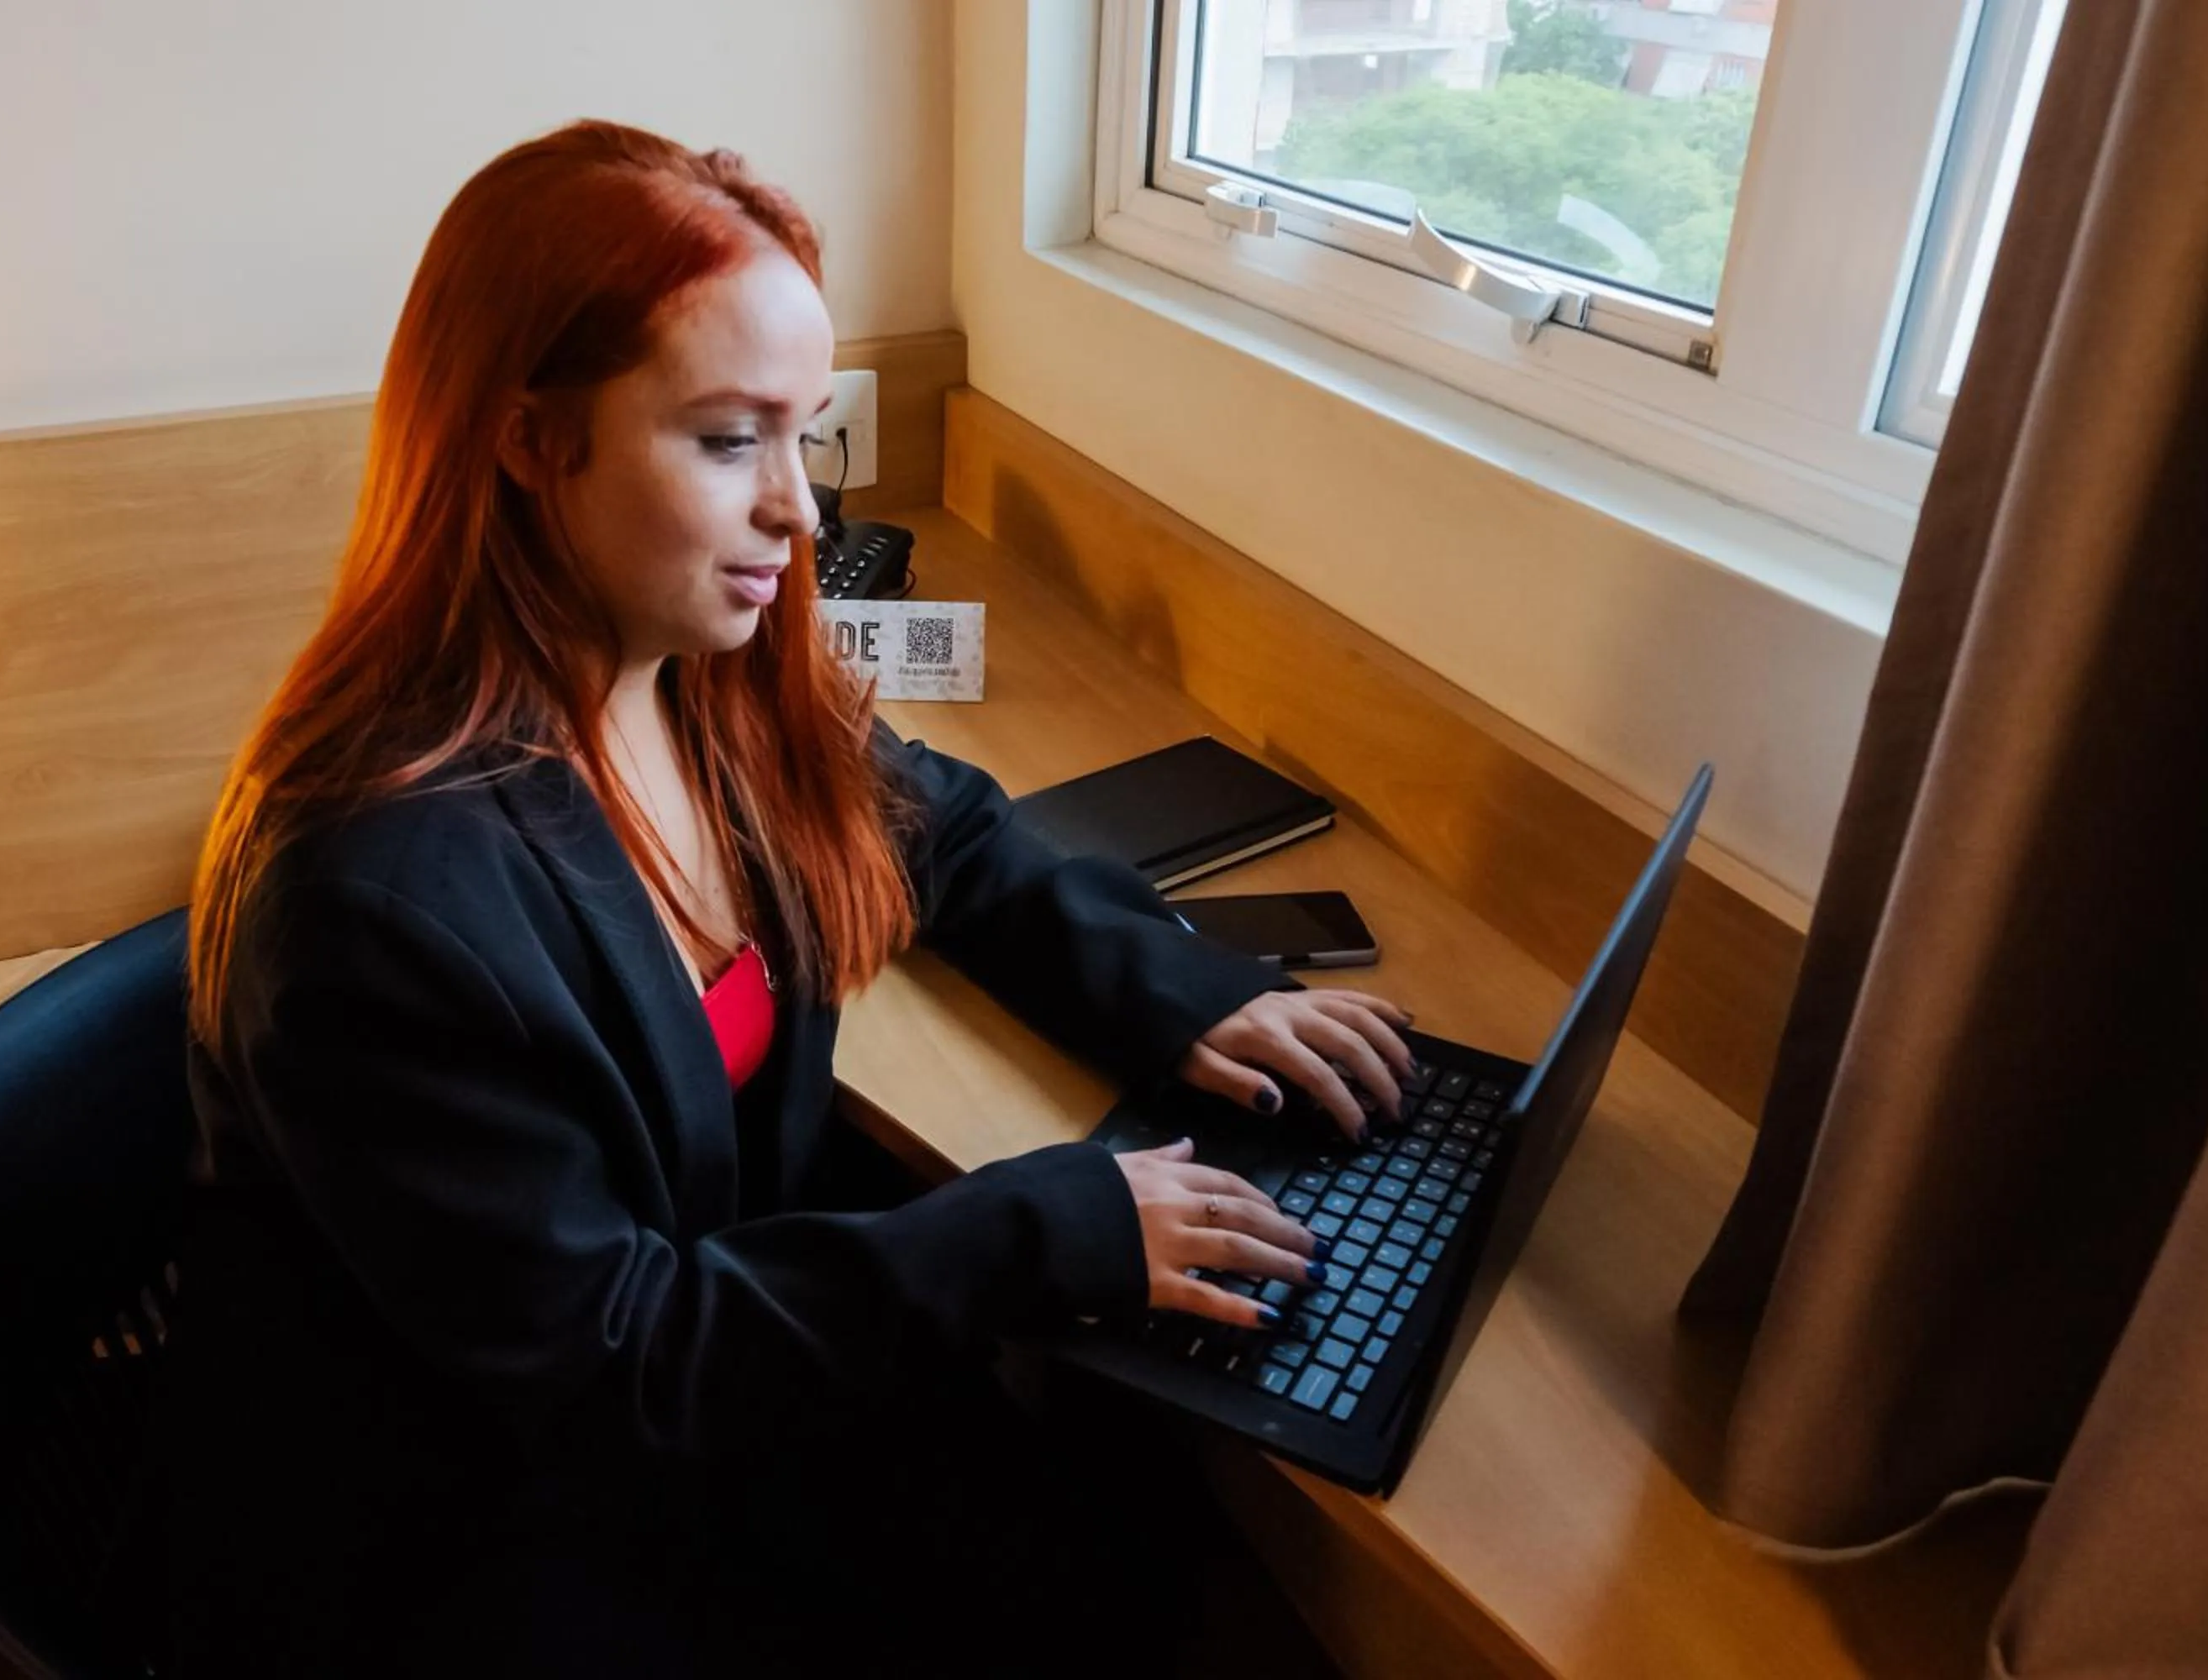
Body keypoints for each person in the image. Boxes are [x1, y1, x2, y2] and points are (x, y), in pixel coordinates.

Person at [150, 118, 1414, 1677]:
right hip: (494, 1502)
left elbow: (938, 825)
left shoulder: (689, 663)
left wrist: (1178, 986)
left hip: (709, 1329)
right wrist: (1036, 1230)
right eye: (728, 439)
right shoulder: (376, 900)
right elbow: (609, 1366)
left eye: (803, 435)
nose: (801, 513)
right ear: (529, 440)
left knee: (1116, 1544)